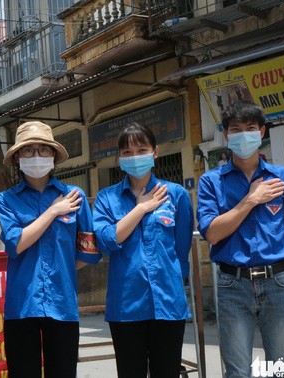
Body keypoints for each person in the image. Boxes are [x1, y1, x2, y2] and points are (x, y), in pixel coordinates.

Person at [196, 100, 284, 377]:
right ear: (226, 135)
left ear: (261, 132)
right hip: (232, 284)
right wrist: (250, 200)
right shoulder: (211, 182)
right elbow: (212, 232)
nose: (243, 135)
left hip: (280, 283)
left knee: (282, 369)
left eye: (250, 128)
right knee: (237, 372)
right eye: (235, 129)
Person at [0, 121, 102, 378]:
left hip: (62, 304)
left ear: (53, 154)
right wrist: (53, 210)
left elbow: (87, 253)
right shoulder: (6, 200)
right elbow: (16, 243)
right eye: (29, 150)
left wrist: (58, 267)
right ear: (18, 156)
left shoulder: (74, 196)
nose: (36, 156)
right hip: (22, 306)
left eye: (43, 149)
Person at [93, 122, 194, 378]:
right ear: (119, 157)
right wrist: (140, 208)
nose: (135, 156)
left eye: (142, 149)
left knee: (167, 372)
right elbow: (106, 241)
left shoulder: (176, 194)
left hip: (167, 303)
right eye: (127, 152)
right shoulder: (107, 198)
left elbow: (181, 250)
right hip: (126, 306)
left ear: (155, 152)